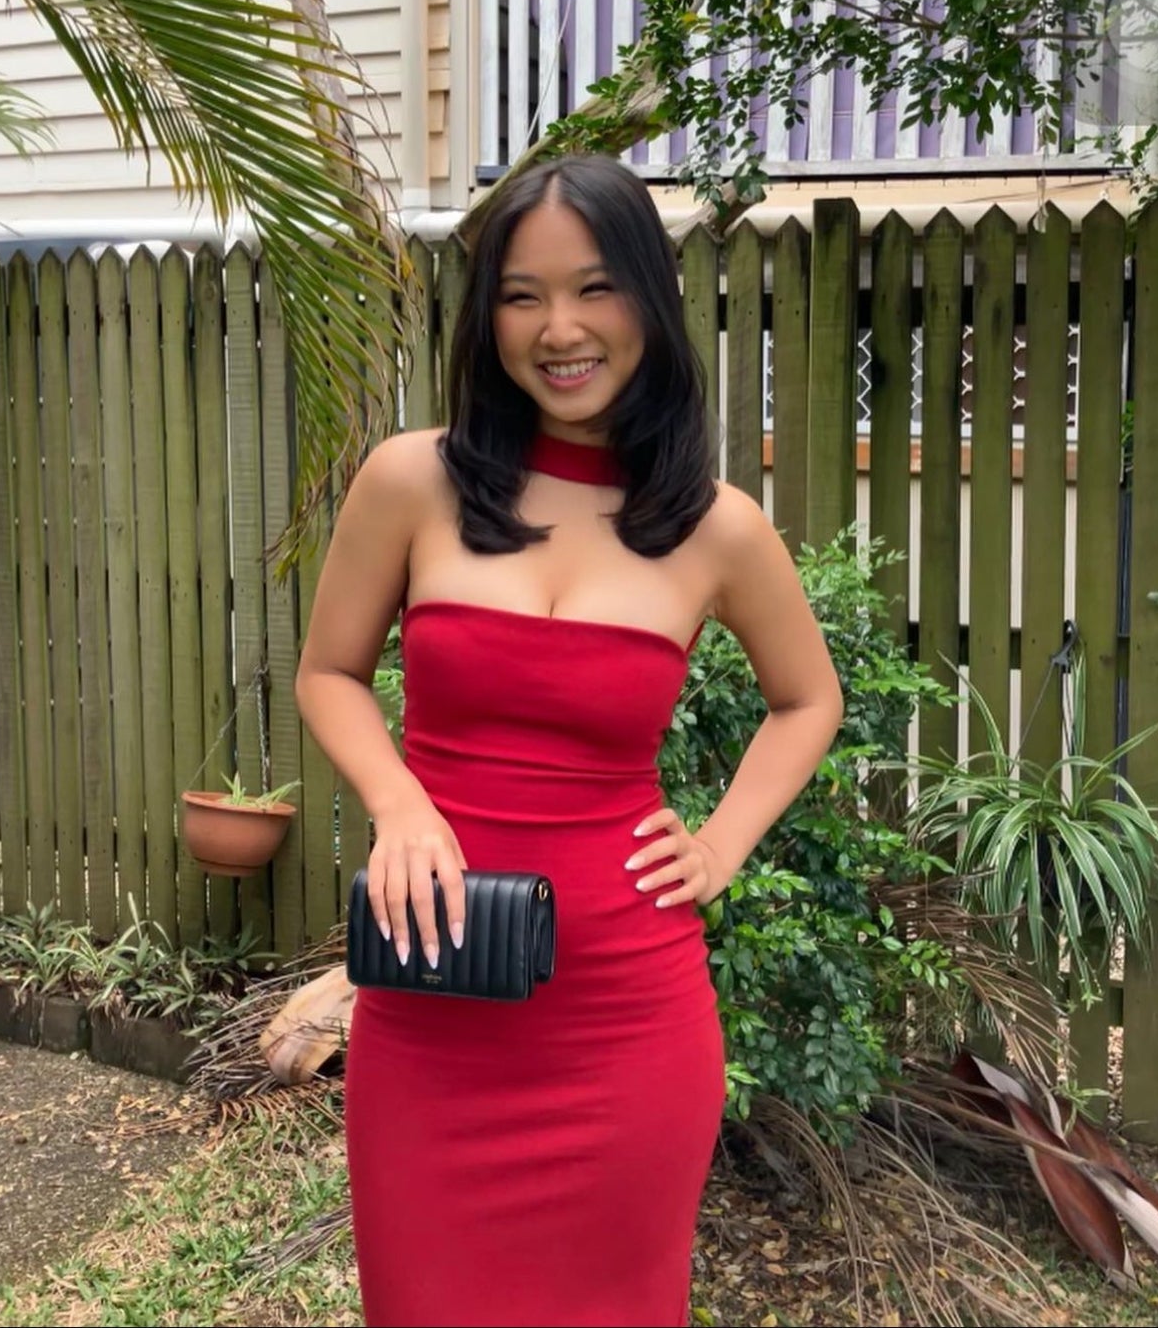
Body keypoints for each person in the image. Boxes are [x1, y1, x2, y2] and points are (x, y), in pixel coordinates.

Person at [294, 153, 843, 1328]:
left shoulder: (715, 529)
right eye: (521, 295)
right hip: (431, 1012)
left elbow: (808, 700)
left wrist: (719, 848)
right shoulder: (411, 481)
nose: (559, 330)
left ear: (648, 298)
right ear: (485, 315)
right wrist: (399, 803)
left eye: (594, 288)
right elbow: (327, 674)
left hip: (624, 1020)